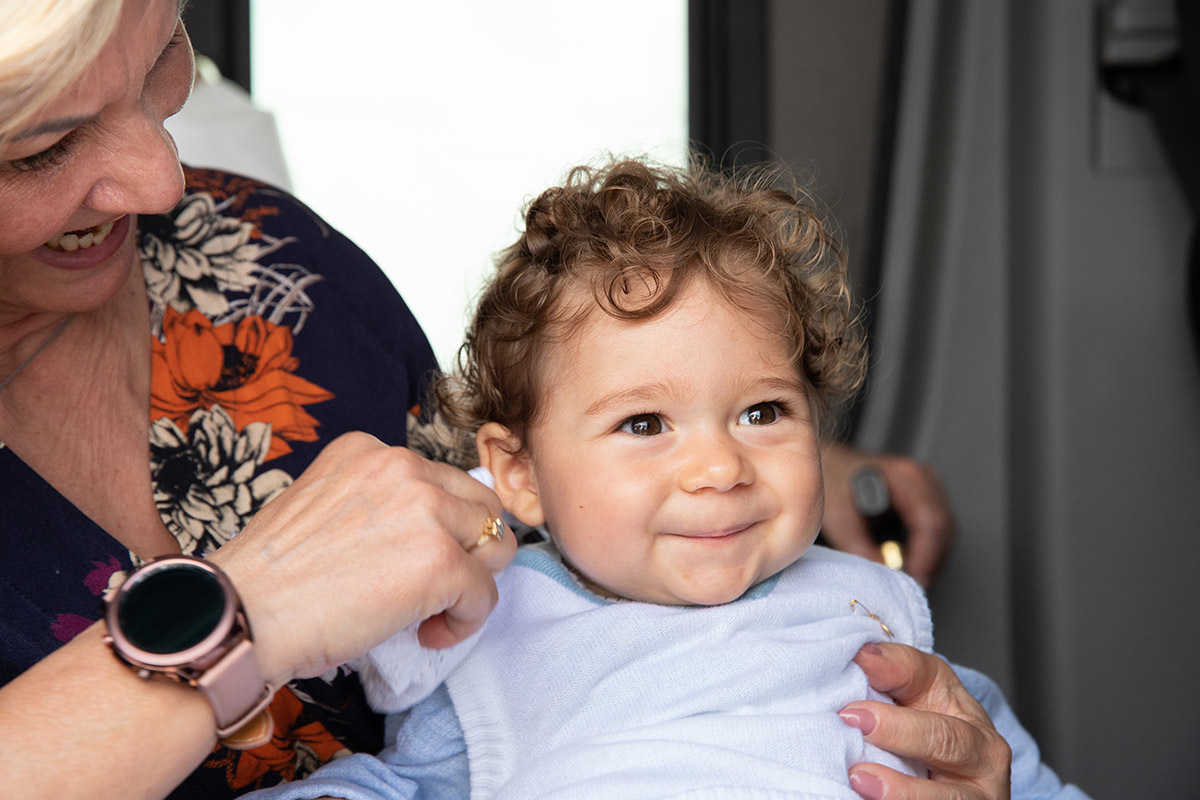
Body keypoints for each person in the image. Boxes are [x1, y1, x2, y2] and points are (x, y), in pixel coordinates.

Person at [0, 2, 1012, 798]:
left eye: (161, 59)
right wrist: (246, 610)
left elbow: (507, 483)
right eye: (44, 146)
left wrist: (725, 444)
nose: (163, 178)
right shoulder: (488, 689)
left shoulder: (269, 264)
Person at [243, 159, 1085, 800]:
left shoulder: (864, 619)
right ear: (518, 474)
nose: (720, 467)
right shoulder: (497, 639)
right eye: (644, 425)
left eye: (763, 412)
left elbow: (998, 762)